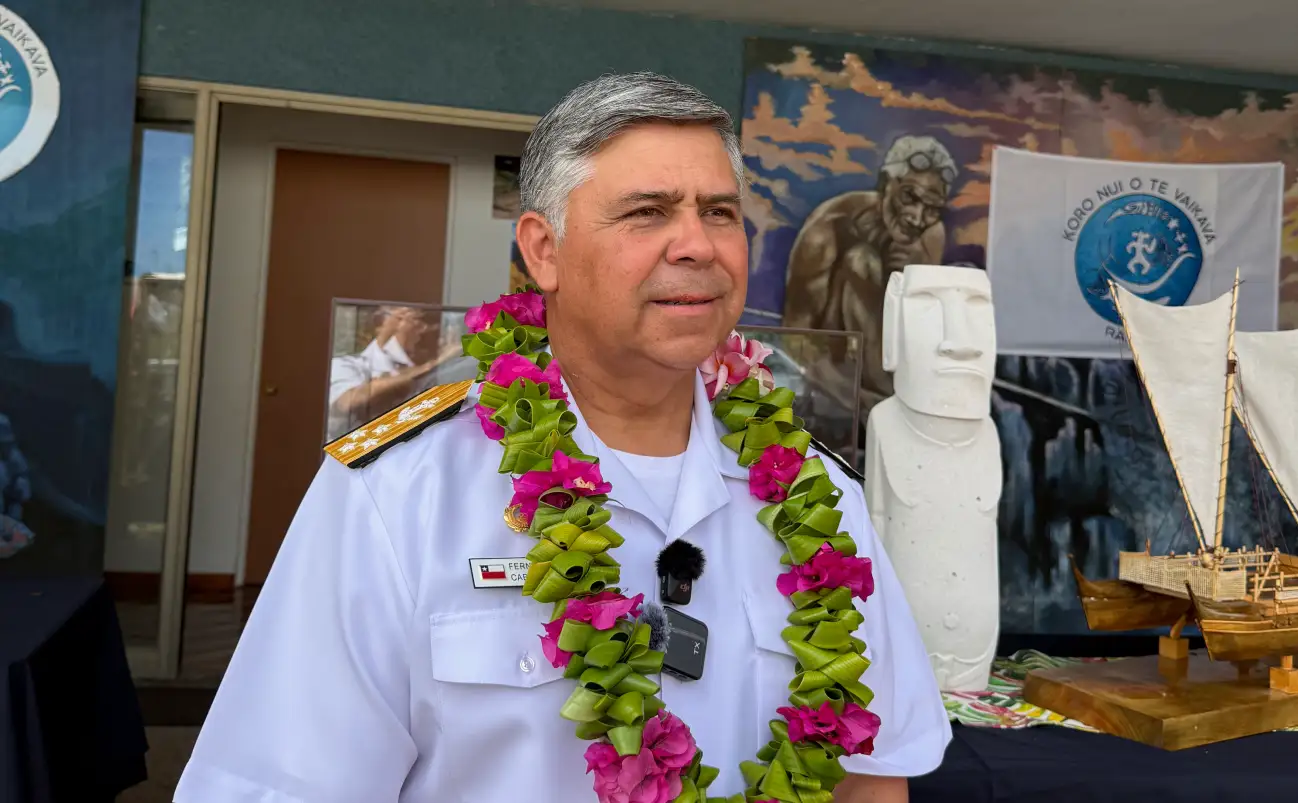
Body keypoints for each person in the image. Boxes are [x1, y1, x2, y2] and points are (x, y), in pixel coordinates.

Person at [175, 72, 949, 803]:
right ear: (542, 249)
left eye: (719, 212)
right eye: (648, 211)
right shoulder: (398, 494)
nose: (699, 245)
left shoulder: (818, 501)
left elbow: (869, 775)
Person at [783, 135, 957, 410]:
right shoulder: (826, 232)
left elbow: (919, 336)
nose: (917, 217)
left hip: (891, 383)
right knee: (861, 261)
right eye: (909, 197)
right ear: (885, 183)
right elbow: (794, 340)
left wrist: (908, 276)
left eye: (932, 209)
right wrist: (856, 402)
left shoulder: (931, 236)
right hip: (833, 379)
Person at [326, 305, 438, 440]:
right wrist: (426, 368)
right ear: (383, 325)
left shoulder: (432, 372)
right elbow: (348, 402)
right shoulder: (347, 365)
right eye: (414, 319)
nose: (423, 329)